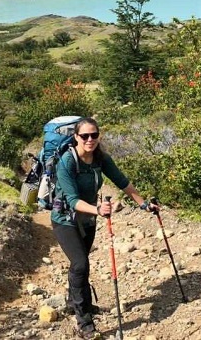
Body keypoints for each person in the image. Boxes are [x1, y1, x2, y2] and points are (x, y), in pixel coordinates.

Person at [51, 117, 158, 340]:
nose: (90, 139)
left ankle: (75, 302)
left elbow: (122, 182)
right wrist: (98, 209)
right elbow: (72, 200)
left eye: (94, 135)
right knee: (80, 264)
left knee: (81, 264)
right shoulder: (67, 162)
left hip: (88, 219)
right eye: (85, 136)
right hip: (65, 220)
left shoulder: (101, 158)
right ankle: (84, 321)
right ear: (76, 137)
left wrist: (144, 204)